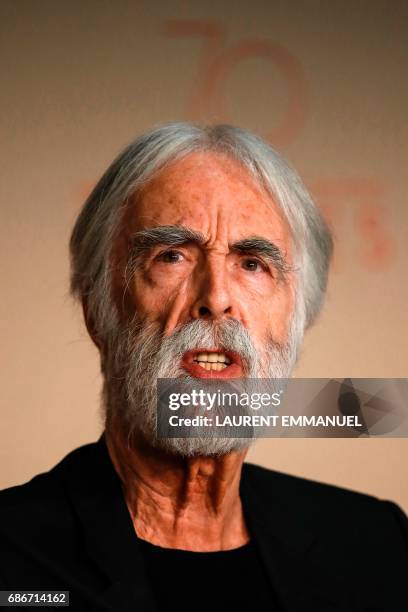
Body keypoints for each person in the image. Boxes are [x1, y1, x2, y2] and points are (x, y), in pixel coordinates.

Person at [0, 123, 406, 611]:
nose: (216, 297)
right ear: (97, 310)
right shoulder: (13, 563)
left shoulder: (378, 546)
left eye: (253, 263)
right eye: (171, 256)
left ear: (298, 317)